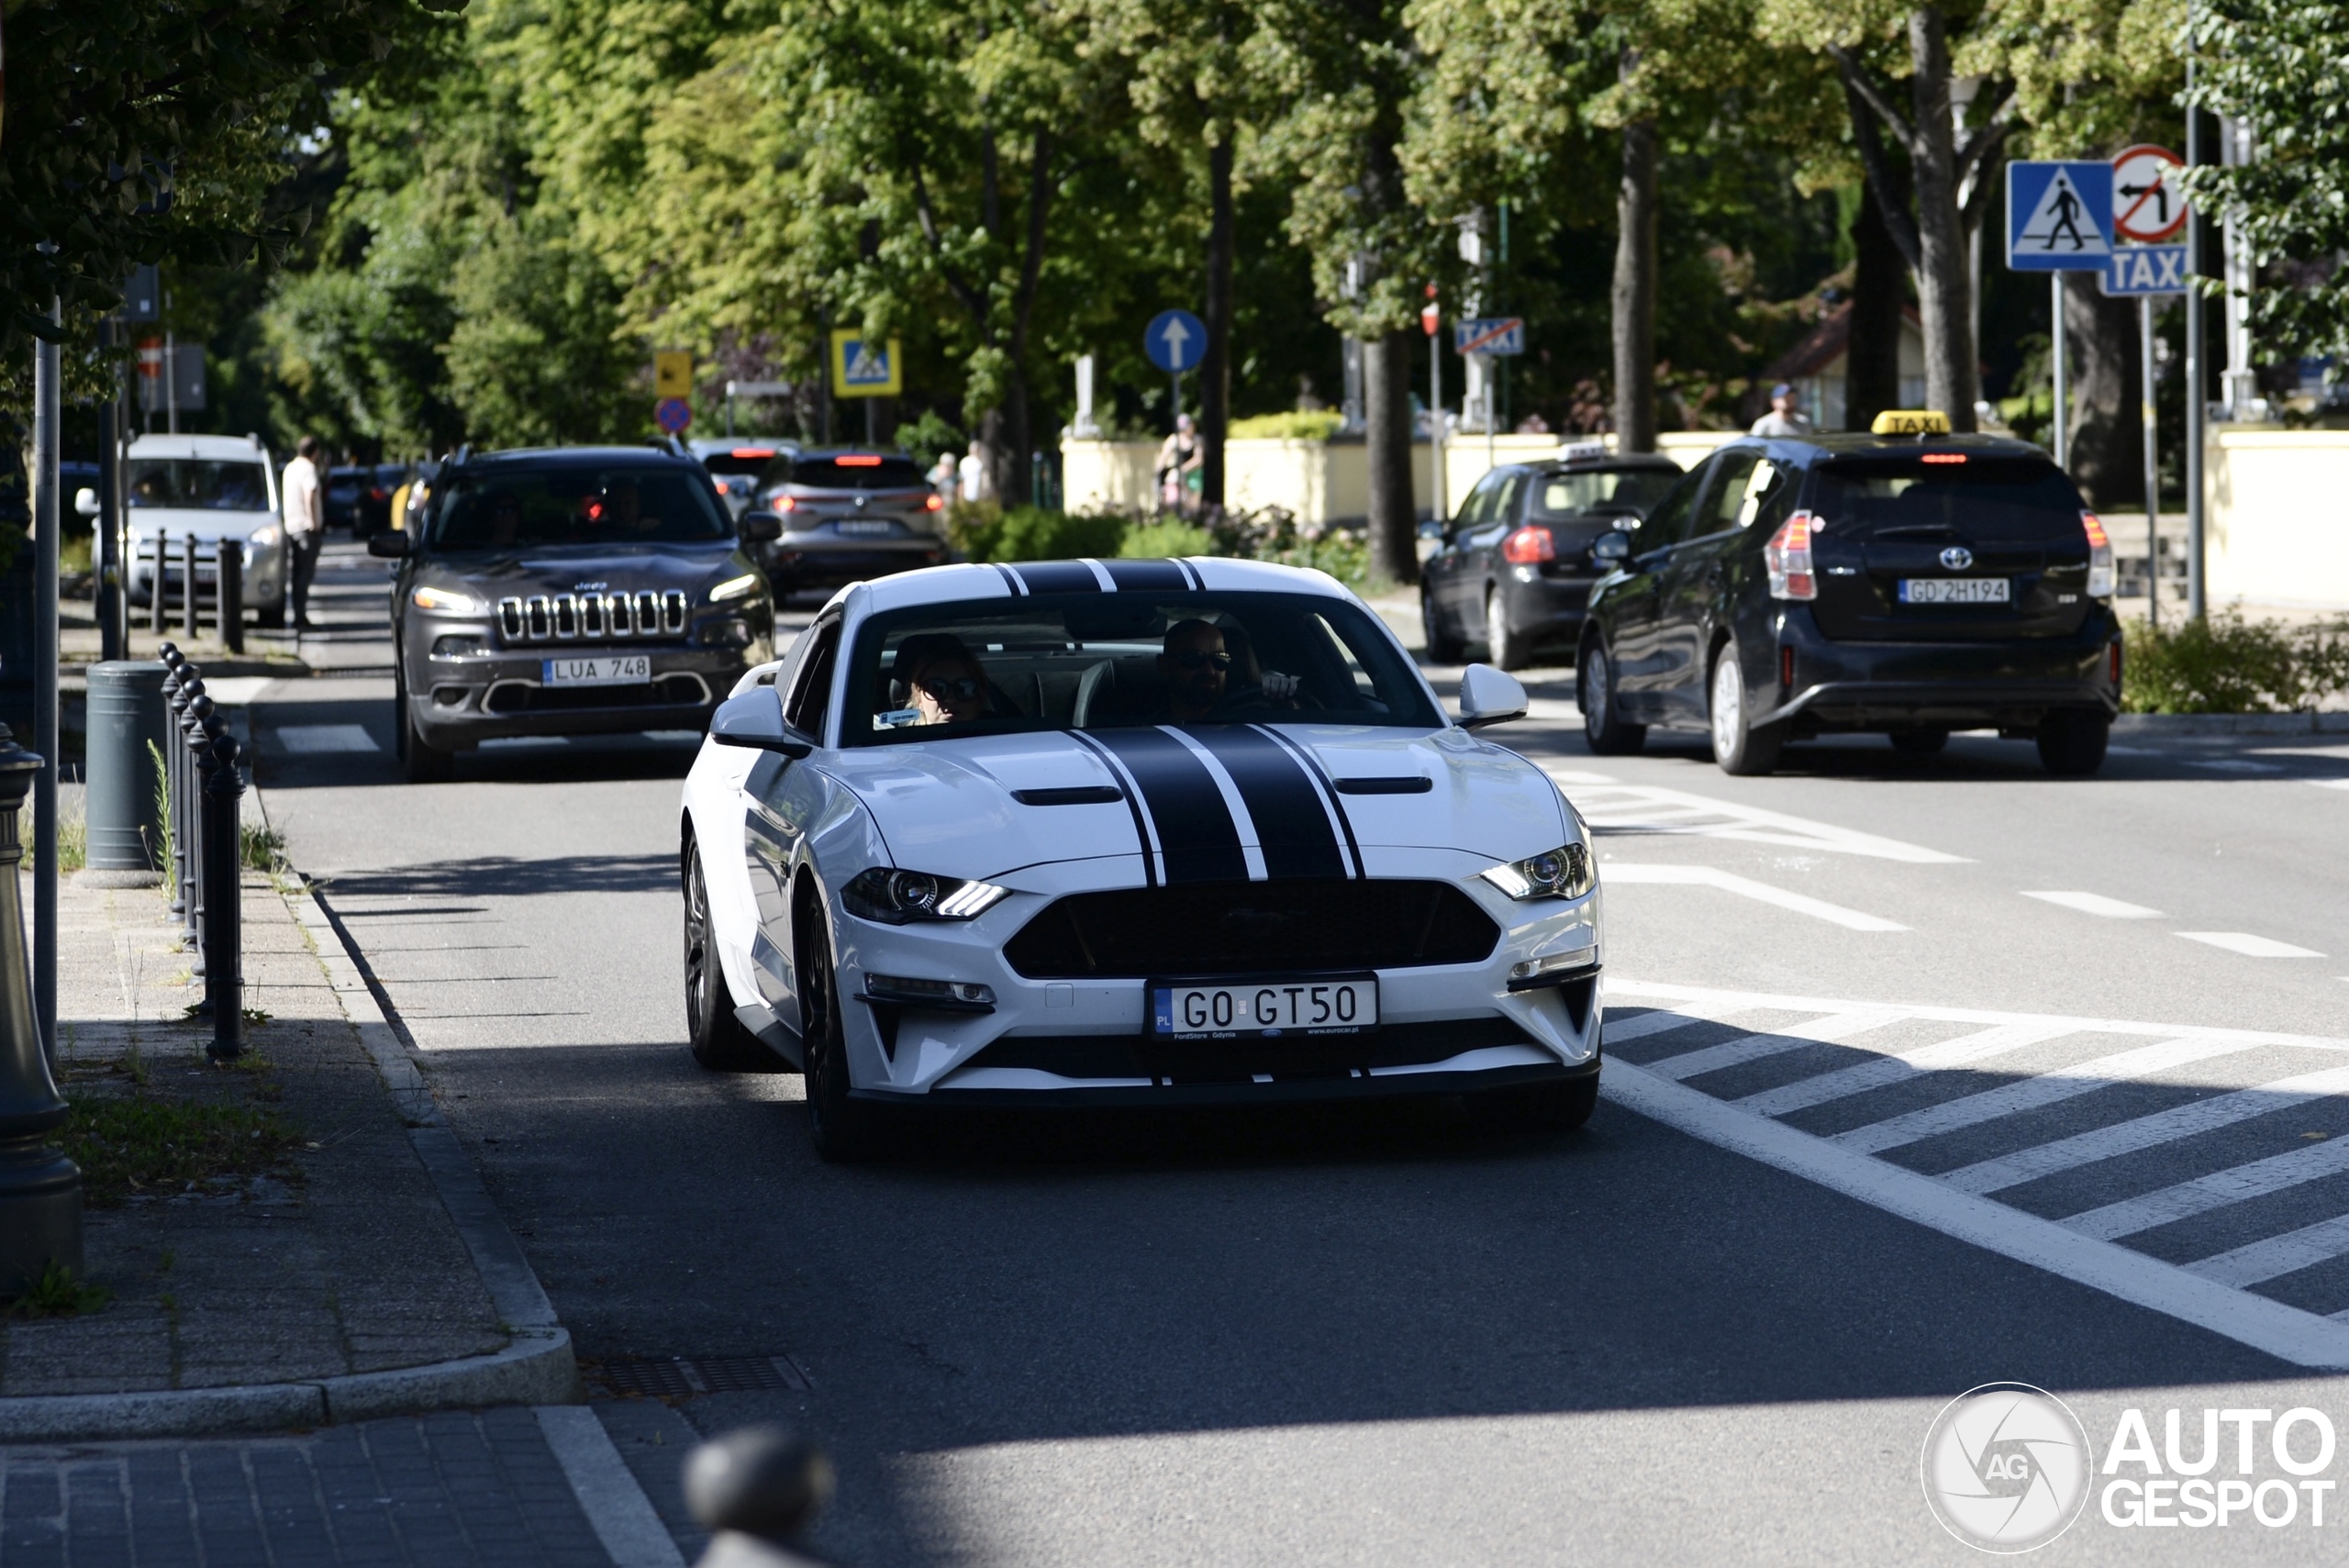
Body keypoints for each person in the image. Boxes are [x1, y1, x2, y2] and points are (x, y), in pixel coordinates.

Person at [893, 634, 992, 726]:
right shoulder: (893, 741)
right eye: (936, 689)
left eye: (964, 689)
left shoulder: (1002, 737)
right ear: (918, 699)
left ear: (979, 697)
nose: (950, 699)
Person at [281, 435, 326, 629]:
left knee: (297, 573)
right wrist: (314, 522)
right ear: (315, 452)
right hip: (306, 527)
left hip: (291, 525)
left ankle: (298, 614)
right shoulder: (309, 469)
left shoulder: (290, 468)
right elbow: (311, 493)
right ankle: (300, 616)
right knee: (305, 574)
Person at [1156, 415, 1201, 516]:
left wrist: (1183, 469)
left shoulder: (1196, 440)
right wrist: (1158, 471)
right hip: (1177, 476)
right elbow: (1164, 456)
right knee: (1171, 497)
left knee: (1193, 505)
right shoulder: (1173, 439)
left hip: (1193, 475)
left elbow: (1198, 459)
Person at [1749, 383, 1813, 438]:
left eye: (1792, 398)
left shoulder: (1803, 423)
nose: (1789, 401)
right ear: (1774, 402)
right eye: (1785, 398)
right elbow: (1755, 447)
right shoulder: (1764, 424)